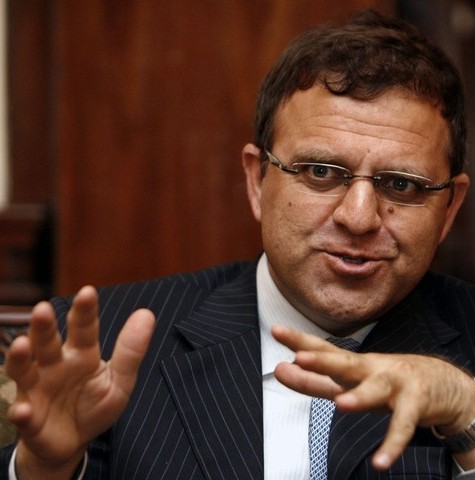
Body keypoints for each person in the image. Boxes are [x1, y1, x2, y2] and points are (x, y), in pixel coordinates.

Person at [1, 8, 475, 479]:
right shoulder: (98, 347)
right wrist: (46, 466)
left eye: (402, 185)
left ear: (449, 208)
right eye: (320, 172)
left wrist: (467, 418)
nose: (358, 217)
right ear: (257, 181)